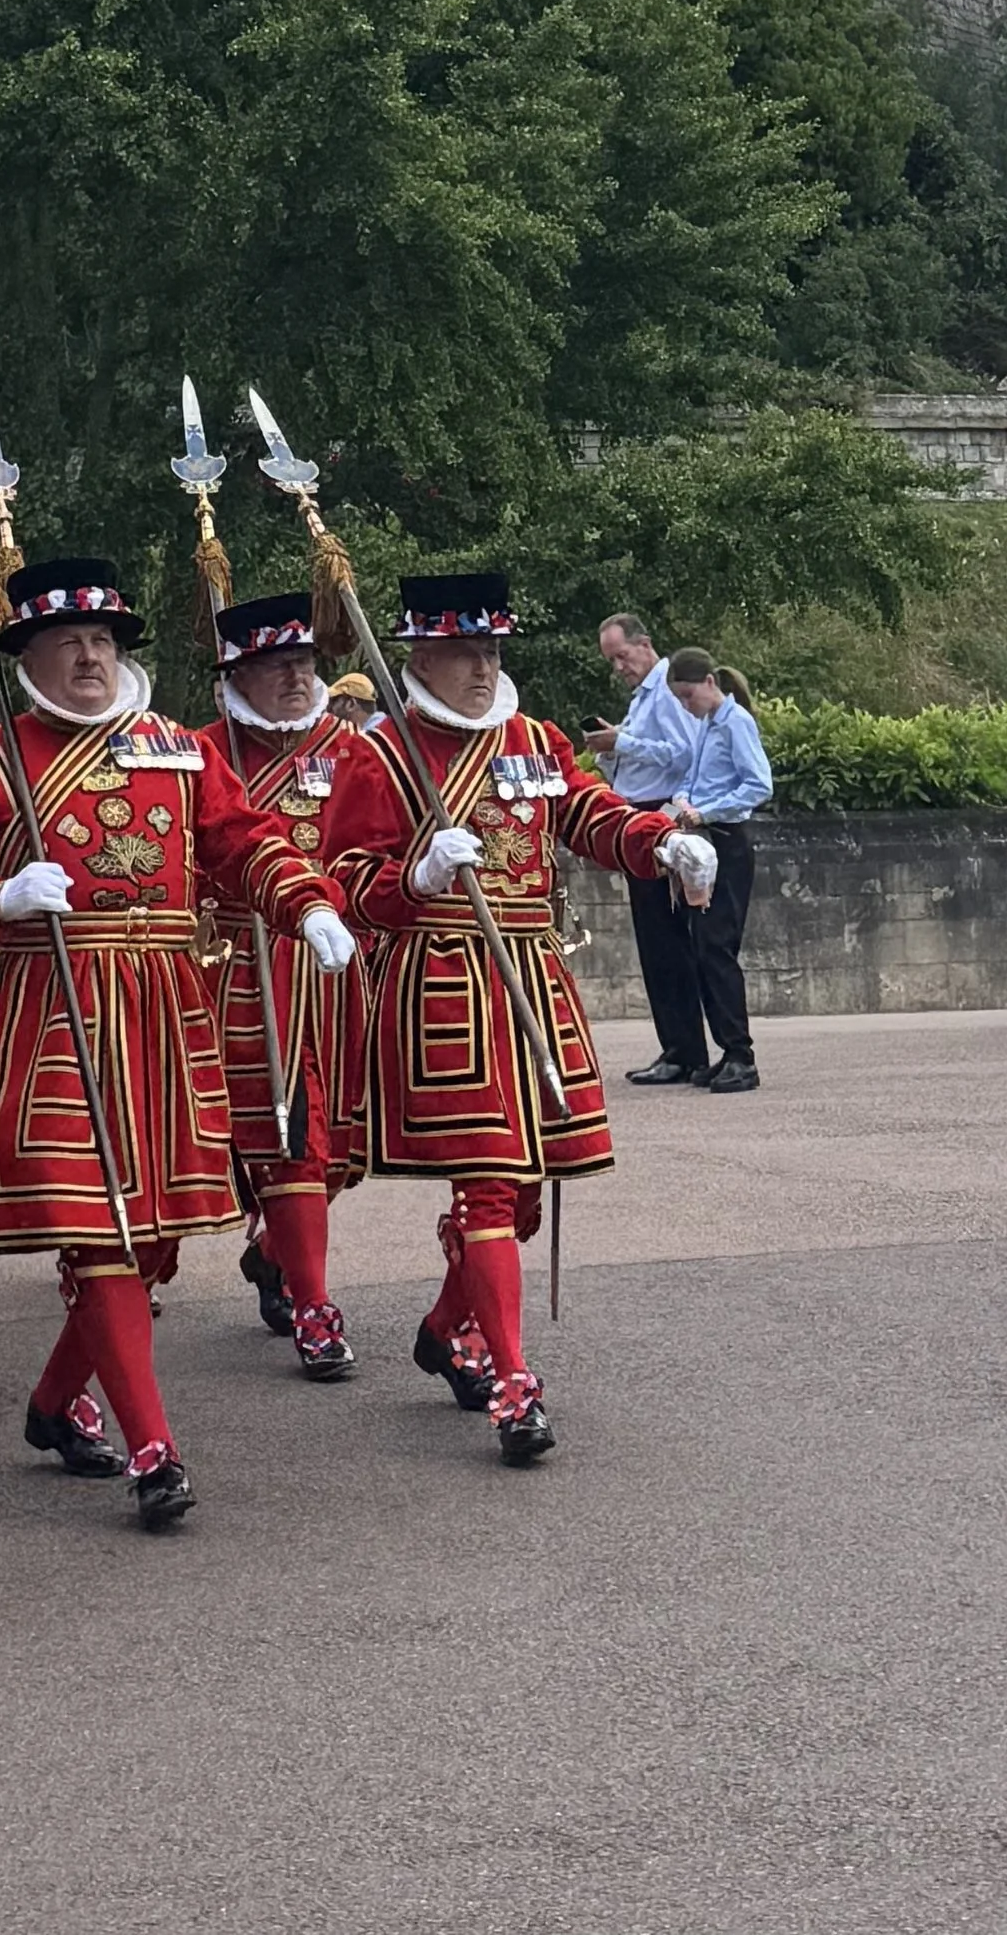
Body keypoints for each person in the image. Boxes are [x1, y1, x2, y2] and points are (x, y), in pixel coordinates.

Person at [0, 563, 354, 1531]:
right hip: (56, 1009)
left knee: (152, 1243)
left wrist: (307, 904)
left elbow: (245, 845)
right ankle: (152, 1446)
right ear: (27, 657)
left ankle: (50, 1404)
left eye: (104, 642)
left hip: (165, 1011)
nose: (89, 657)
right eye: (68, 642)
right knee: (103, 1234)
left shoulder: (171, 747)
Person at [324, 579, 717, 1464]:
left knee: (529, 1190)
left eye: (493, 651)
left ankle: (443, 1326)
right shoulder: (383, 754)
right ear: (420, 658)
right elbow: (344, 873)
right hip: (441, 981)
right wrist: (415, 876)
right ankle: (513, 1383)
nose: (483, 667)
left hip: (533, 975)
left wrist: (658, 840)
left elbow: (586, 813)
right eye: (466, 652)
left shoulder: (532, 739)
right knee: (492, 1186)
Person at [190, 587, 371, 1380]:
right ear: (238, 673)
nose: (295, 678)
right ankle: (314, 1303)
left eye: (303, 661)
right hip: (240, 963)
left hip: (336, 966)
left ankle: (277, 1253)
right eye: (275, 665)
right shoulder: (201, 749)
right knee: (287, 1137)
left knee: (343, 1147)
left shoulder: (354, 747)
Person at [587, 611, 708, 1086]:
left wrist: (625, 742)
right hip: (639, 813)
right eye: (612, 660)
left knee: (666, 941)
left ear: (645, 644)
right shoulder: (644, 699)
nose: (619, 666)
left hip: (660, 817)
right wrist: (613, 749)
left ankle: (684, 1049)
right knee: (656, 941)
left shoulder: (667, 691)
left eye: (622, 655)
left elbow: (682, 752)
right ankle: (677, 1045)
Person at [661, 649, 773, 1094]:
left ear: (710, 683)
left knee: (718, 947)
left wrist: (705, 811)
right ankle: (726, 1049)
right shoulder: (708, 725)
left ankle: (741, 1054)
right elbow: (692, 776)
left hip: (727, 838)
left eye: (688, 696)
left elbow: (758, 784)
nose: (687, 706)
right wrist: (685, 800)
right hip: (705, 837)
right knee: (703, 945)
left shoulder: (736, 723)